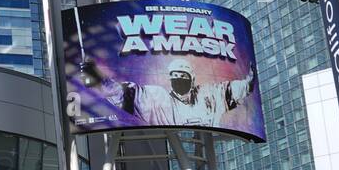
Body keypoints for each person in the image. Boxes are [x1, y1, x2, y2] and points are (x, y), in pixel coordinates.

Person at [81, 57, 256, 130]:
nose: (179, 79)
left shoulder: (208, 95)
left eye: (183, 76)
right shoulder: (158, 98)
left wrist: (249, 80)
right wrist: (99, 77)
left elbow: (237, 89)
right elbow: (122, 94)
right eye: (175, 76)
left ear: (192, 79)